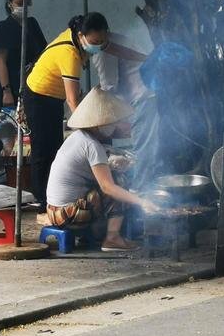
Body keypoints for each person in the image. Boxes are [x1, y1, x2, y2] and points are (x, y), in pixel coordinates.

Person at [46, 87, 155, 251]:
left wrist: (113, 162)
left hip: (54, 211)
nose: (116, 126)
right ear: (100, 125)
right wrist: (142, 202)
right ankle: (112, 238)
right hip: (69, 215)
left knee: (113, 181)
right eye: (112, 123)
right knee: (118, 183)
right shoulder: (91, 145)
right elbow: (107, 188)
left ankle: (98, 234)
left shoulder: (78, 137)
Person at [24, 12, 110, 211]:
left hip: (53, 97)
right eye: (95, 41)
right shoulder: (69, 53)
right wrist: (88, 130)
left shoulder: (76, 38)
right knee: (42, 149)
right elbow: (73, 101)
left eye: (102, 41)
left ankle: (52, 197)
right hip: (38, 96)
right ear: (82, 35)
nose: (98, 45)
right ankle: (41, 200)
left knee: (55, 146)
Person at [91, 29, 160, 191]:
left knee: (143, 148)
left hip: (143, 98)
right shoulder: (118, 38)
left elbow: (108, 87)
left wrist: (109, 121)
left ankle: (141, 195)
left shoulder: (103, 50)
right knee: (147, 146)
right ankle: (145, 188)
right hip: (146, 95)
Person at [0, 0, 47, 110]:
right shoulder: (3, 28)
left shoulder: (32, 24)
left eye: (27, 3)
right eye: (20, 3)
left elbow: (43, 53)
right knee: (14, 125)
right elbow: (0, 62)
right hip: (13, 87)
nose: (24, 7)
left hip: (35, 86)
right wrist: (7, 92)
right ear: (10, 4)